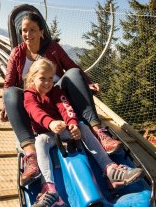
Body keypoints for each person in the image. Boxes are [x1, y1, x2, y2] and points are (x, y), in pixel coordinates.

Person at [0, 11, 122, 186]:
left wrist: (87, 83)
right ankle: (31, 156)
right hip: (33, 99)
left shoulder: (53, 49)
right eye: (24, 30)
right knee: (10, 92)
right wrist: (6, 107)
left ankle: (98, 132)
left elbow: (72, 67)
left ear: (42, 31)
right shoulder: (17, 53)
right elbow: (9, 82)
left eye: (32, 30)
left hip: (58, 94)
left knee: (73, 73)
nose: (28, 34)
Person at [23, 58, 144, 207]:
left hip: (63, 129)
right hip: (47, 133)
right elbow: (35, 111)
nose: (48, 83)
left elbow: (65, 107)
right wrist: (51, 123)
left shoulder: (55, 91)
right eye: (42, 78)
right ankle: (49, 189)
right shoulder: (29, 95)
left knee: (83, 127)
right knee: (40, 142)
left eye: (50, 78)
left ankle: (109, 169)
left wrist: (72, 124)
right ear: (32, 77)